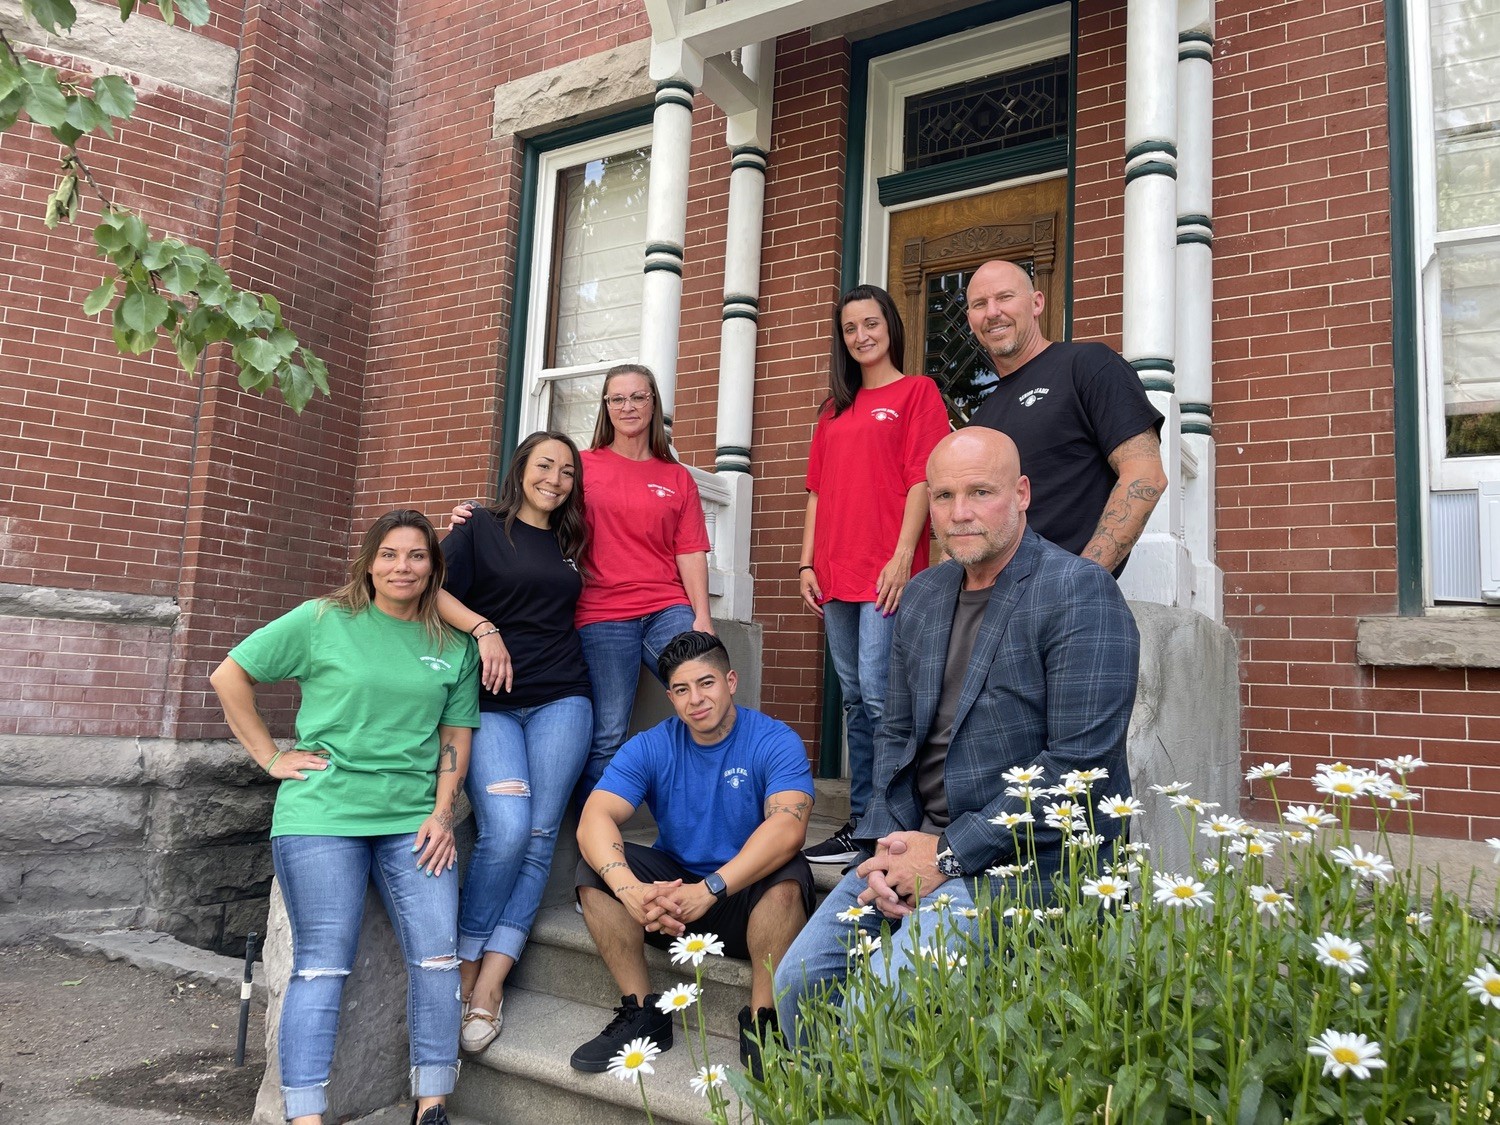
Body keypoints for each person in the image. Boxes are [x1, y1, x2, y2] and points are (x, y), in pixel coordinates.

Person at [775, 429, 1139, 1035]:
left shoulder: (1078, 592)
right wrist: (885, 851)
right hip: (913, 846)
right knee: (798, 984)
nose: (959, 513)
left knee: (876, 1015)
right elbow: (894, 737)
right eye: (942, 496)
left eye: (980, 492)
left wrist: (944, 855)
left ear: (1022, 494)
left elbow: (1079, 766)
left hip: (1021, 863)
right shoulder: (921, 595)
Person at [210, 510, 479, 1125]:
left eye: (416, 556)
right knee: (323, 965)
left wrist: (444, 813)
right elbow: (230, 675)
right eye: (389, 554)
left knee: (439, 958)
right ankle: (305, 1115)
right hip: (323, 815)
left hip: (414, 819)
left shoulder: (452, 645)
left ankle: (431, 1103)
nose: (401, 567)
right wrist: (270, 755)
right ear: (368, 562)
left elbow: (454, 738)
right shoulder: (322, 620)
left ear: (434, 568)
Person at [452, 363, 712, 806]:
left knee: (705, 688)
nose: (628, 406)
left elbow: (689, 550)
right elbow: (537, 508)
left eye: (638, 397)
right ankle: (594, 833)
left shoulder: (677, 477)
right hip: (602, 610)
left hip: (667, 605)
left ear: (654, 405)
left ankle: (712, 803)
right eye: (617, 399)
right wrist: (477, 517)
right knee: (608, 731)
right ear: (606, 407)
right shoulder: (581, 468)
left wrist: (702, 616)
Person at [569, 631, 814, 1079]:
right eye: (682, 690)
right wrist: (632, 891)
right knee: (593, 871)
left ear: (731, 681)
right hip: (674, 901)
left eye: (706, 683)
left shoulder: (774, 740)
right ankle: (643, 1012)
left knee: (787, 878)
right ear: (670, 697)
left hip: (743, 898)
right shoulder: (651, 745)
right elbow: (596, 816)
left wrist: (712, 888)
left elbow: (788, 828)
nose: (695, 699)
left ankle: (764, 1021)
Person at [434, 432, 594, 1054]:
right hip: (492, 705)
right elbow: (433, 587)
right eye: (544, 465)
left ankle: (489, 984)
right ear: (521, 467)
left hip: (564, 698)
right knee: (505, 826)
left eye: (567, 471)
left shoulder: (572, 541)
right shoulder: (478, 527)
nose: (555, 478)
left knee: (536, 837)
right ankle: (465, 960)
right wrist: (484, 628)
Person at [799, 285, 951, 866]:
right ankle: (863, 820)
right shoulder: (832, 410)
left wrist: (903, 553)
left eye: (871, 324)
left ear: (890, 327)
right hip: (836, 571)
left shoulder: (918, 393)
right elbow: (817, 491)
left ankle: (891, 821)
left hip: (887, 570)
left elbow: (922, 479)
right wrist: (808, 560)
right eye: (850, 329)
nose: (861, 336)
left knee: (885, 698)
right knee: (857, 700)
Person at [963, 258, 1167, 575]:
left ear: (1036, 303)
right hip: (989, 601)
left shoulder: (1088, 365)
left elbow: (1145, 475)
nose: (992, 312)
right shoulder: (980, 422)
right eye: (980, 304)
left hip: (1060, 595)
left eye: (1004, 297)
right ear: (970, 319)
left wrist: (1083, 581)